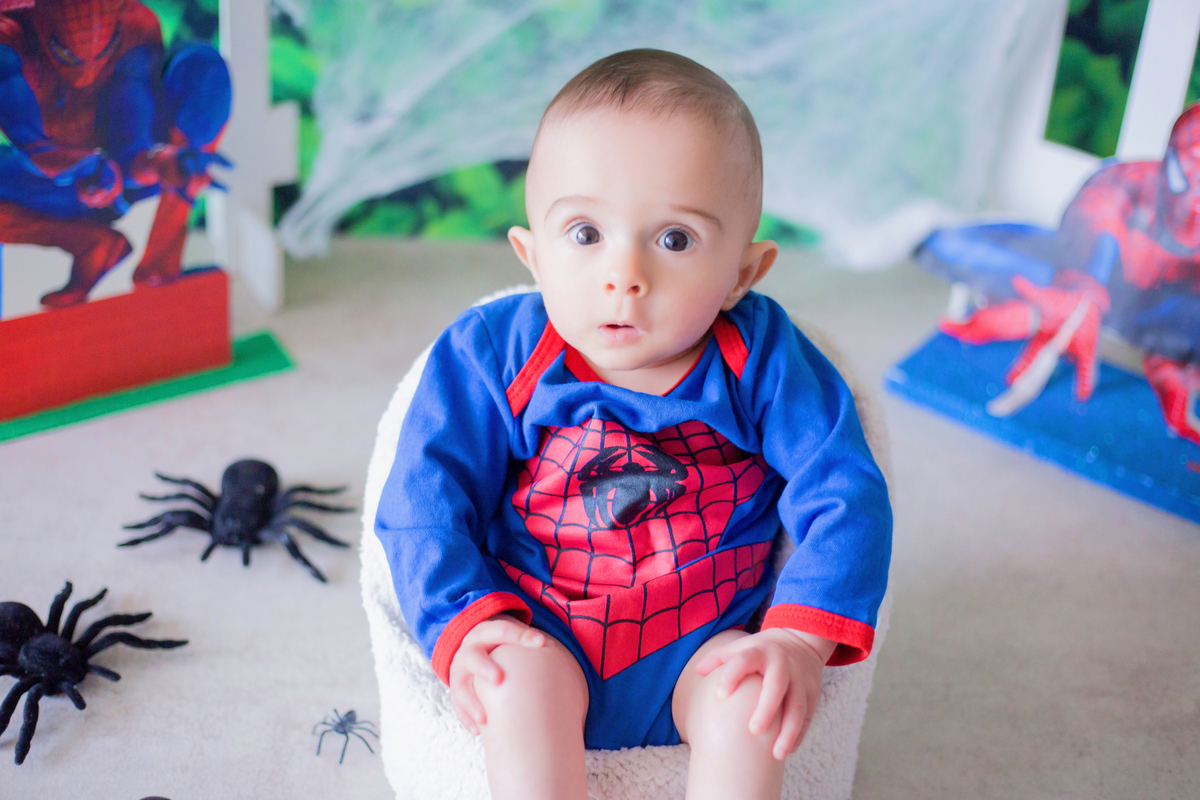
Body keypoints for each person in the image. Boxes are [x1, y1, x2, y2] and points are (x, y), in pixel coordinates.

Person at [375, 49, 892, 800]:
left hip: (705, 644)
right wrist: (466, 621)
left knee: (751, 701)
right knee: (512, 682)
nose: (626, 275)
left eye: (675, 239)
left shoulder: (761, 356)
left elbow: (844, 487)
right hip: (540, 626)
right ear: (533, 255)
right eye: (584, 234)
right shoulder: (494, 351)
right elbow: (422, 495)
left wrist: (796, 641)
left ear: (743, 275)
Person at [0, 0, 230, 308]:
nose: (86, 73)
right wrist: (72, 164)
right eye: (65, 54)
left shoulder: (135, 24)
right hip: (41, 186)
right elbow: (30, 141)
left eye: (103, 52)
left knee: (203, 69)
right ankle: (88, 244)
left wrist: (161, 162)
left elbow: (131, 139)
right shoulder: (8, 35)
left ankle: (159, 272)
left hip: (114, 177)